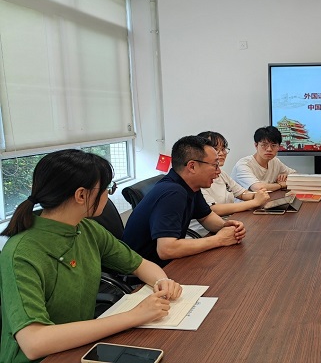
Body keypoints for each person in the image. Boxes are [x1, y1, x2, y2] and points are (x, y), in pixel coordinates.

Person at [0, 149, 182, 363]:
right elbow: (34, 343)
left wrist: (161, 281)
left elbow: (139, 264)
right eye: (107, 188)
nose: (108, 194)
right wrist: (135, 315)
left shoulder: (85, 229)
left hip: (81, 347)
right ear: (81, 195)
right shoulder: (21, 253)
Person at [122, 135, 246, 267]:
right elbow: (166, 250)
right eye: (215, 165)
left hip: (166, 263)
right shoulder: (173, 193)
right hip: (144, 271)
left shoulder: (190, 185)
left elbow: (206, 217)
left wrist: (227, 227)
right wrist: (219, 239)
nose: (218, 171)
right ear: (192, 166)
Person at [197, 131, 270, 215]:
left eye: (223, 149)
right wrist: (255, 202)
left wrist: (257, 195)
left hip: (229, 219)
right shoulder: (198, 178)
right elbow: (213, 209)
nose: (221, 153)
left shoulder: (222, 174)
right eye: (215, 149)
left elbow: (241, 193)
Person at [231, 125, 296, 192]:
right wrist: (281, 185)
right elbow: (258, 188)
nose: (269, 149)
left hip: (270, 198)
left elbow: (296, 176)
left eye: (273, 145)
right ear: (256, 145)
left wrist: (286, 176)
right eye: (264, 145)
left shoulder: (274, 161)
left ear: (278, 147)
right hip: (245, 199)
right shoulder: (244, 165)